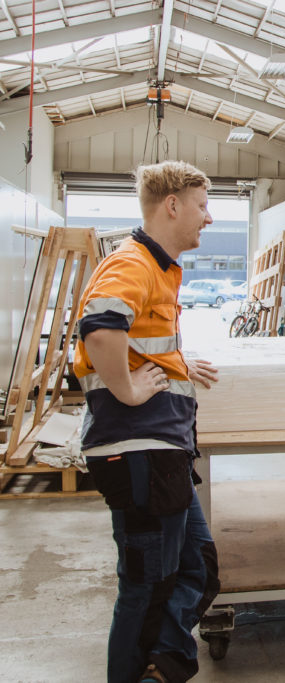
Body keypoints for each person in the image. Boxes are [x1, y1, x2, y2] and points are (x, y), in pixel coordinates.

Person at [74, 160, 221, 683]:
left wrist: (177, 363)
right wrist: (128, 389)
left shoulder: (159, 269)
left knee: (197, 567)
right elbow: (99, 328)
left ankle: (160, 669)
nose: (209, 217)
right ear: (172, 205)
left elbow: (137, 339)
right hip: (139, 453)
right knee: (146, 585)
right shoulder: (133, 262)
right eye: (202, 206)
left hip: (162, 455)